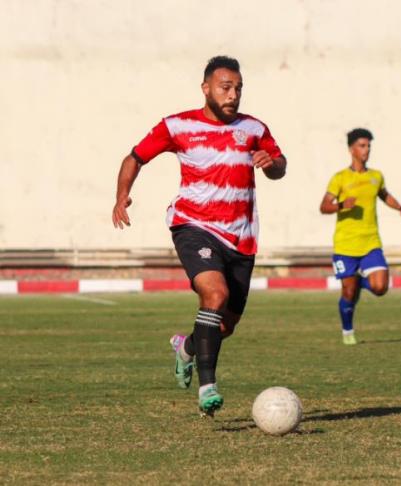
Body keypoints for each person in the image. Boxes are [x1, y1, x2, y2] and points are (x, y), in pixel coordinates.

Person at [112, 56, 286, 416]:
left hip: (242, 237)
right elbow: (134, 157)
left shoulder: (254, 128)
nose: (233, 94)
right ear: (206, 88)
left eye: (238, 88)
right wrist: (121, 196)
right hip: (194, 225)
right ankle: (208, 386)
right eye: (225, 87)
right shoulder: (177, 125)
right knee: (215, 293)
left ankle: (188, 348)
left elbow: (279, 166)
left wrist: (272, 164)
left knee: (226, 324)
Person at [319, 128, 401, 345]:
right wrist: (342, 205)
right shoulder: (340, 178)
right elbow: (324, 207)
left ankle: (360, 281)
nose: (366, 150)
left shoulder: (375, 176)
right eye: (362, 145)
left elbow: (384, 195)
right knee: (348, 292)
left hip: (370, 242)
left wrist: (399, 208)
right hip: (345, 245)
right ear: (351, 149)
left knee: (380, 287)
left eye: (368, 146)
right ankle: (348, 331)